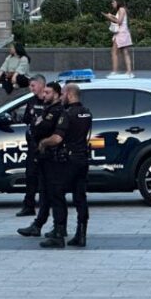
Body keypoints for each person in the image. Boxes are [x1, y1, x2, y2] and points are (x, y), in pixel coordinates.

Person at [36, 83, 93, 249]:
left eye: (62, 94)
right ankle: (81, 235)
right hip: (82, 159)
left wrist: (44, 142)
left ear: (69, 94)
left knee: (57, 194)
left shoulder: (67, 114)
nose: (61, 97)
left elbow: (57, 138)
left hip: (67, 160)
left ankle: (59, 234)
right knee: (80, 197)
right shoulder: (86, 112)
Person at [16, 82, 64, 238]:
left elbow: (41, 128)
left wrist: (38, 125)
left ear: (56, 94)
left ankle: (57, 227)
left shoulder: (56, 110)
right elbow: (33, 126)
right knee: (46, 193)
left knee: (52, 194)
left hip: (52, 157)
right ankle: (41, 225)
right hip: (43, 156)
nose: (44, 95)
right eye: (44, 92)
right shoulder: (47, 108)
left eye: (48, 92)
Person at [16, 75, 47, 217]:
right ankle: (28, 206)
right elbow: (27, 119)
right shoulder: (31, 101)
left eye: (33, 85)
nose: (31, 88)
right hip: (33, 145)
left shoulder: (50, 100)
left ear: (41, 85)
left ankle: (44, 206)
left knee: (45, 178)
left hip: (47, 146)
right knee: (30, 176)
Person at [102, 0, 133, 79]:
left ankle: (115, 71)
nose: (112, 4)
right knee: (124, 52)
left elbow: (119, 21)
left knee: (114, 52)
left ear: (118, 2)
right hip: (123, 32)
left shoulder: (121, 10)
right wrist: (111, 16)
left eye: (113, 2)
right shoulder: (122, 10)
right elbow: (119, 19)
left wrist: (109, 17)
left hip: (121, 33)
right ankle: (129, 72)